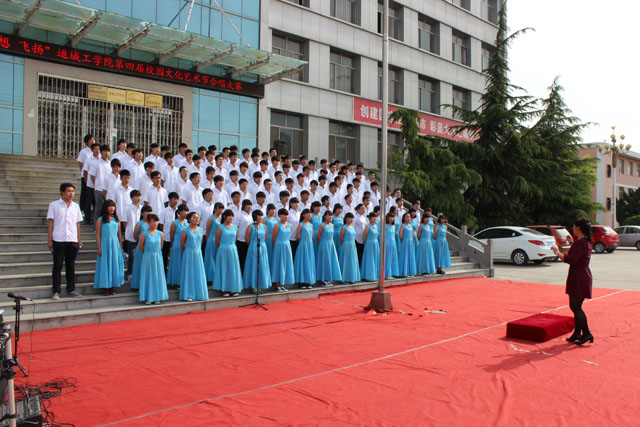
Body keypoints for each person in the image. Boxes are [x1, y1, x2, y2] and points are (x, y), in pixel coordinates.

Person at [552, 218, 594, 345]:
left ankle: (586, 333)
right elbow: (577, 255)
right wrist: (571, 243)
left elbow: (572, 259)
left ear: (579, 228)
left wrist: (557, 253)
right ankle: (577, 333)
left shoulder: (579, 243)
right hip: (583, 275)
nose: (573, 229)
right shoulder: (586, 241)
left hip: (578, 277)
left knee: (575, 307)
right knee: (577, 306)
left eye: (574, 227)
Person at [47, 183, 83, 300]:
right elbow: (51, 223)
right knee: (57, 265)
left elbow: (77, 224)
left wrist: (79, 239)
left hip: (72, 239)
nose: (71, 193)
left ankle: (71, 289)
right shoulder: (54, 205)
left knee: (70, 265)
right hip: (58, 239)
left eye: (72, 191)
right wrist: (49, 240)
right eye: (68, 191)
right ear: (62, 192)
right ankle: (56, 290)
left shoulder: (76, 206)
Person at [93, 200, 124, 295]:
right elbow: (98, 235)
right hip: (105, 244)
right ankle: (106, 286)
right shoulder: (100, 220)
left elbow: (119, 234)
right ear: (105, 207)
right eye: (110, 206)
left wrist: (121, 247)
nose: (112, 208)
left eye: (113, 206)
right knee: (105, 265)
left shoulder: (117, 220)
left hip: (115, 244)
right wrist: (99, 248)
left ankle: (112, 286)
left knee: (114, 264)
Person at [138, 214, 168, 304]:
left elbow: (161, 246)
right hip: (148, 256)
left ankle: (157, 297)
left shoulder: (160, 233)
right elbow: (141, 247)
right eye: (153, 221)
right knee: (148, 276)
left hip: (157, 257)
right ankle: (148, 297)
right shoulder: (144, 233)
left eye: (156, 221)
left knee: (157, 276)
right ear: (149, 222)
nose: (155, 223)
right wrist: (148, 253)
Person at [179, 212, 209, 302]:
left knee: (198, 273)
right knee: (189, 273)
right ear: (189, 219)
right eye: (194, 217)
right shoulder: (185, 230)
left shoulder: (201, 230)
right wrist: (188, 251)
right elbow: (182, 244)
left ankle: (199, 294)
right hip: (188, 253)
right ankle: (189, 294)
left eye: (198, 218)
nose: (197, 219)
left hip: (198, 254)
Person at [213, 210, 243, 297]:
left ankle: (234, 289)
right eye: (229, 215)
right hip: (223, 249)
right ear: (225, 217)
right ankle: (225, 289)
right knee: (224, 268)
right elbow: (217, 241)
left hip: (233, 250)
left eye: (232, 216)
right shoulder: (220, 227)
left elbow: (235, 239)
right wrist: (223, 247)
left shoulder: (235, 228)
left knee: (233, 269)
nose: (231, 217)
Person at [243, 210, 272, 291]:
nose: (260, 217)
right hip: (253, 247)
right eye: (258, 216)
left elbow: (265, 238)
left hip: (262, 247)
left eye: (261, 215)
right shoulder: (251, 226)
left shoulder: (264, 227)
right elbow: (247, 238)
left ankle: (260, 284)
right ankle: (253, 285)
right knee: (253, 266)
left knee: (262, 265)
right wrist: (252, 245)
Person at [270, 208, 295, 292]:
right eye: (284, 215)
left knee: (285, 264)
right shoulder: (277, 225)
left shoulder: (290, 225)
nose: (286, 216)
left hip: (287, 245)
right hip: (279, 245)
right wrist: (276, 246)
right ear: (280, 215)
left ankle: (283, 283)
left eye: (287, 215)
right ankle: (277, 284)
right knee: (278, 264)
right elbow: (273, 238)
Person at [316, 210, 342, 286]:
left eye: (331, 215)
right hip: (324, 244)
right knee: (324, 261)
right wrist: (321, 244)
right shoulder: (322, 225)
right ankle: (323, 279)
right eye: (329, 215)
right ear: (325, 216)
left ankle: (329, 278)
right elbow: (318, 236)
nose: (331, 217)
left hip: (331, 244)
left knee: (330, 261)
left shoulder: (332, 225)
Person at [131, 205, 152, 290]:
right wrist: (141, 242)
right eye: (147, 212)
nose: (148, 214)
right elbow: (135, 236)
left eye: (150, 212)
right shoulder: (139, 224)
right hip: (141, 247)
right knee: (140, 266)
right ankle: (139, 285)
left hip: (150, 248)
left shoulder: (152, 224)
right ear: (142, 213)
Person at [167, 205, 189, 289]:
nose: (185, 213)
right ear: (179, 212)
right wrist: (173, 244)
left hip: (186, 245)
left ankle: (184, 280)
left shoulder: (187, 222)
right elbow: (171, 235)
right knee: (177, 263)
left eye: (187, 211)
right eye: (184, 211)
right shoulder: (175, 223)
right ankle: (176, 281)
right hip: (177, 245)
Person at [294, 209, 316, 289]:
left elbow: (312, 235)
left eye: (310, 213)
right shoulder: (301, 224)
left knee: (309, 262)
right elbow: (297, 236)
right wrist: (303, 241)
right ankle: (302, 282)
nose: (309, 215)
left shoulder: (311, 225)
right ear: (303, 215)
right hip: (303, 245)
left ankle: (308, 281)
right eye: (307, 213)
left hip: (310, 245)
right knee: (303, 262)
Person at [204, 202, 225, 284]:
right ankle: (210, 278)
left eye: (222, 208)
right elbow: (208, 230)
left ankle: (217, 277)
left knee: (217, 258)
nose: (220, 210)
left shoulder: (222, 218)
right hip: (211, 239)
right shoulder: (211, 218)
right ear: (215, 209)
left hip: (220, 239)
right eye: (219, 208)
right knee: (211, 258)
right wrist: (208, 240)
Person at [339, 213, 361, 284]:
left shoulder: (352, 227)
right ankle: (345, 278)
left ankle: (352, 277)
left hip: (353, 245)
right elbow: (341, 239)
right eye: (349, 218)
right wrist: (345, 245)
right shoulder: (343, 228)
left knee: (352, 261)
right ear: (346, 218)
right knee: (346, 261)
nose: (351, 220)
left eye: (352, 218)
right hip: (346, 245)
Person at [360, 212, 380, 281]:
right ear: (370, 218)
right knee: (369, 259)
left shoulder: (376, 226)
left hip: (375, 243)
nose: (374, 219)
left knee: (375, 259)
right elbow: (364, 236)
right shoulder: (367, 226)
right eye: (373, 217)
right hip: (369, 243)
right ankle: (368, 275)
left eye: (375, 217)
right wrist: (366, 244)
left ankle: (375, 275)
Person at [398, 213, 417, 277]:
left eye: (409, 217)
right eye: (407, 217)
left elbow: (412, 234)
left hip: (410, 242)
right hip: (405, 242)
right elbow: (400, 236)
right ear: (404, 218)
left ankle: (410, 272)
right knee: (405, 256)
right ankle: (404, 272)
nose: (408, 218)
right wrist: (404, 241)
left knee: (410, 256)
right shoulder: (403, 226)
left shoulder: (411, 226)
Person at [384, 212, 399, 278]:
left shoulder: (394, 226)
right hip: (387, 243)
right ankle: (387, 274)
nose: (391, 218)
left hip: (393, 243)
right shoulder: (384, 226)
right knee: (387, 258)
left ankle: (392, 273)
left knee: (393, 258)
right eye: (390, 217)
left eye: (392, 217)